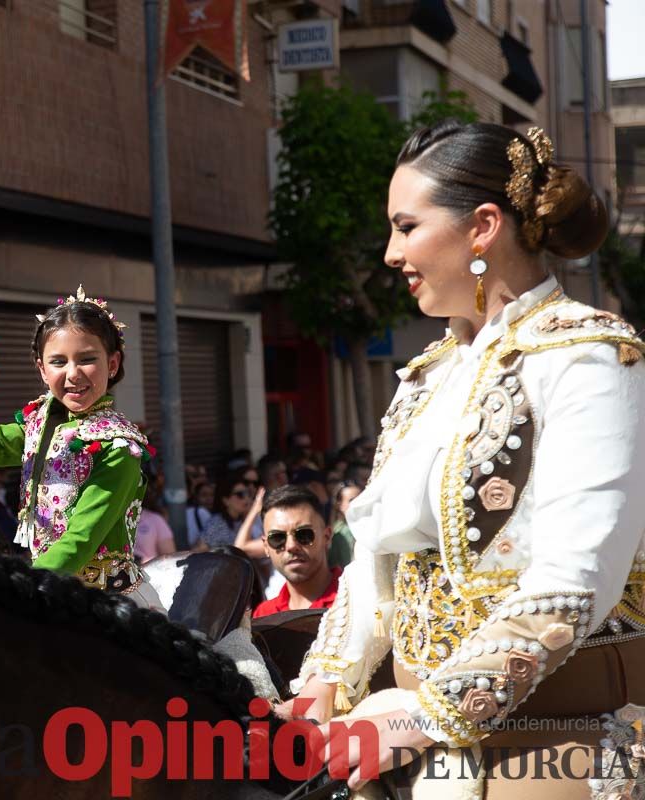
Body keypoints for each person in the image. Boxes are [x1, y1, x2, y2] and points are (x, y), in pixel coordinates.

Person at [284, 121, 645, 797]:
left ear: (482, 227)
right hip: (403, 721)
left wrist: (426, 717)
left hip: (555, 726)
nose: (392, 253)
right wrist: (326, 680)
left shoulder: (591, 356)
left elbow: (576, 577)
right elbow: (378, 558)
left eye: (406, 226)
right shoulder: (428, 375)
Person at [0, 285, 158, 605]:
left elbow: (80, 539)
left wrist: (22, 585)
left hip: (107, 600)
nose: (73, 374)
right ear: (42, 370)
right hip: (47, 585)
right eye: (58, 362)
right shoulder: (39, 424)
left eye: (87, 359)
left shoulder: (119, 447)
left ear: (113, 364)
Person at [251, 486, 339, 618]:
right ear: (266, 546)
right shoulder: (263, 616)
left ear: (326, 537)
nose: (291, 546)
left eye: (304, 534)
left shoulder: (358, 599)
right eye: (277, 538)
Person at [133, 474, 175, 564]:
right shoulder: (114, 518)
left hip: (146, 571)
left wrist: (141, 561)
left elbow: (169, 558)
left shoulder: (155, 520)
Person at [326, 479, 360, 569]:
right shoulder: (340, 534)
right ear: (340, 504)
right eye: (352, 500)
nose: (358, 503)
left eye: (360, 499)